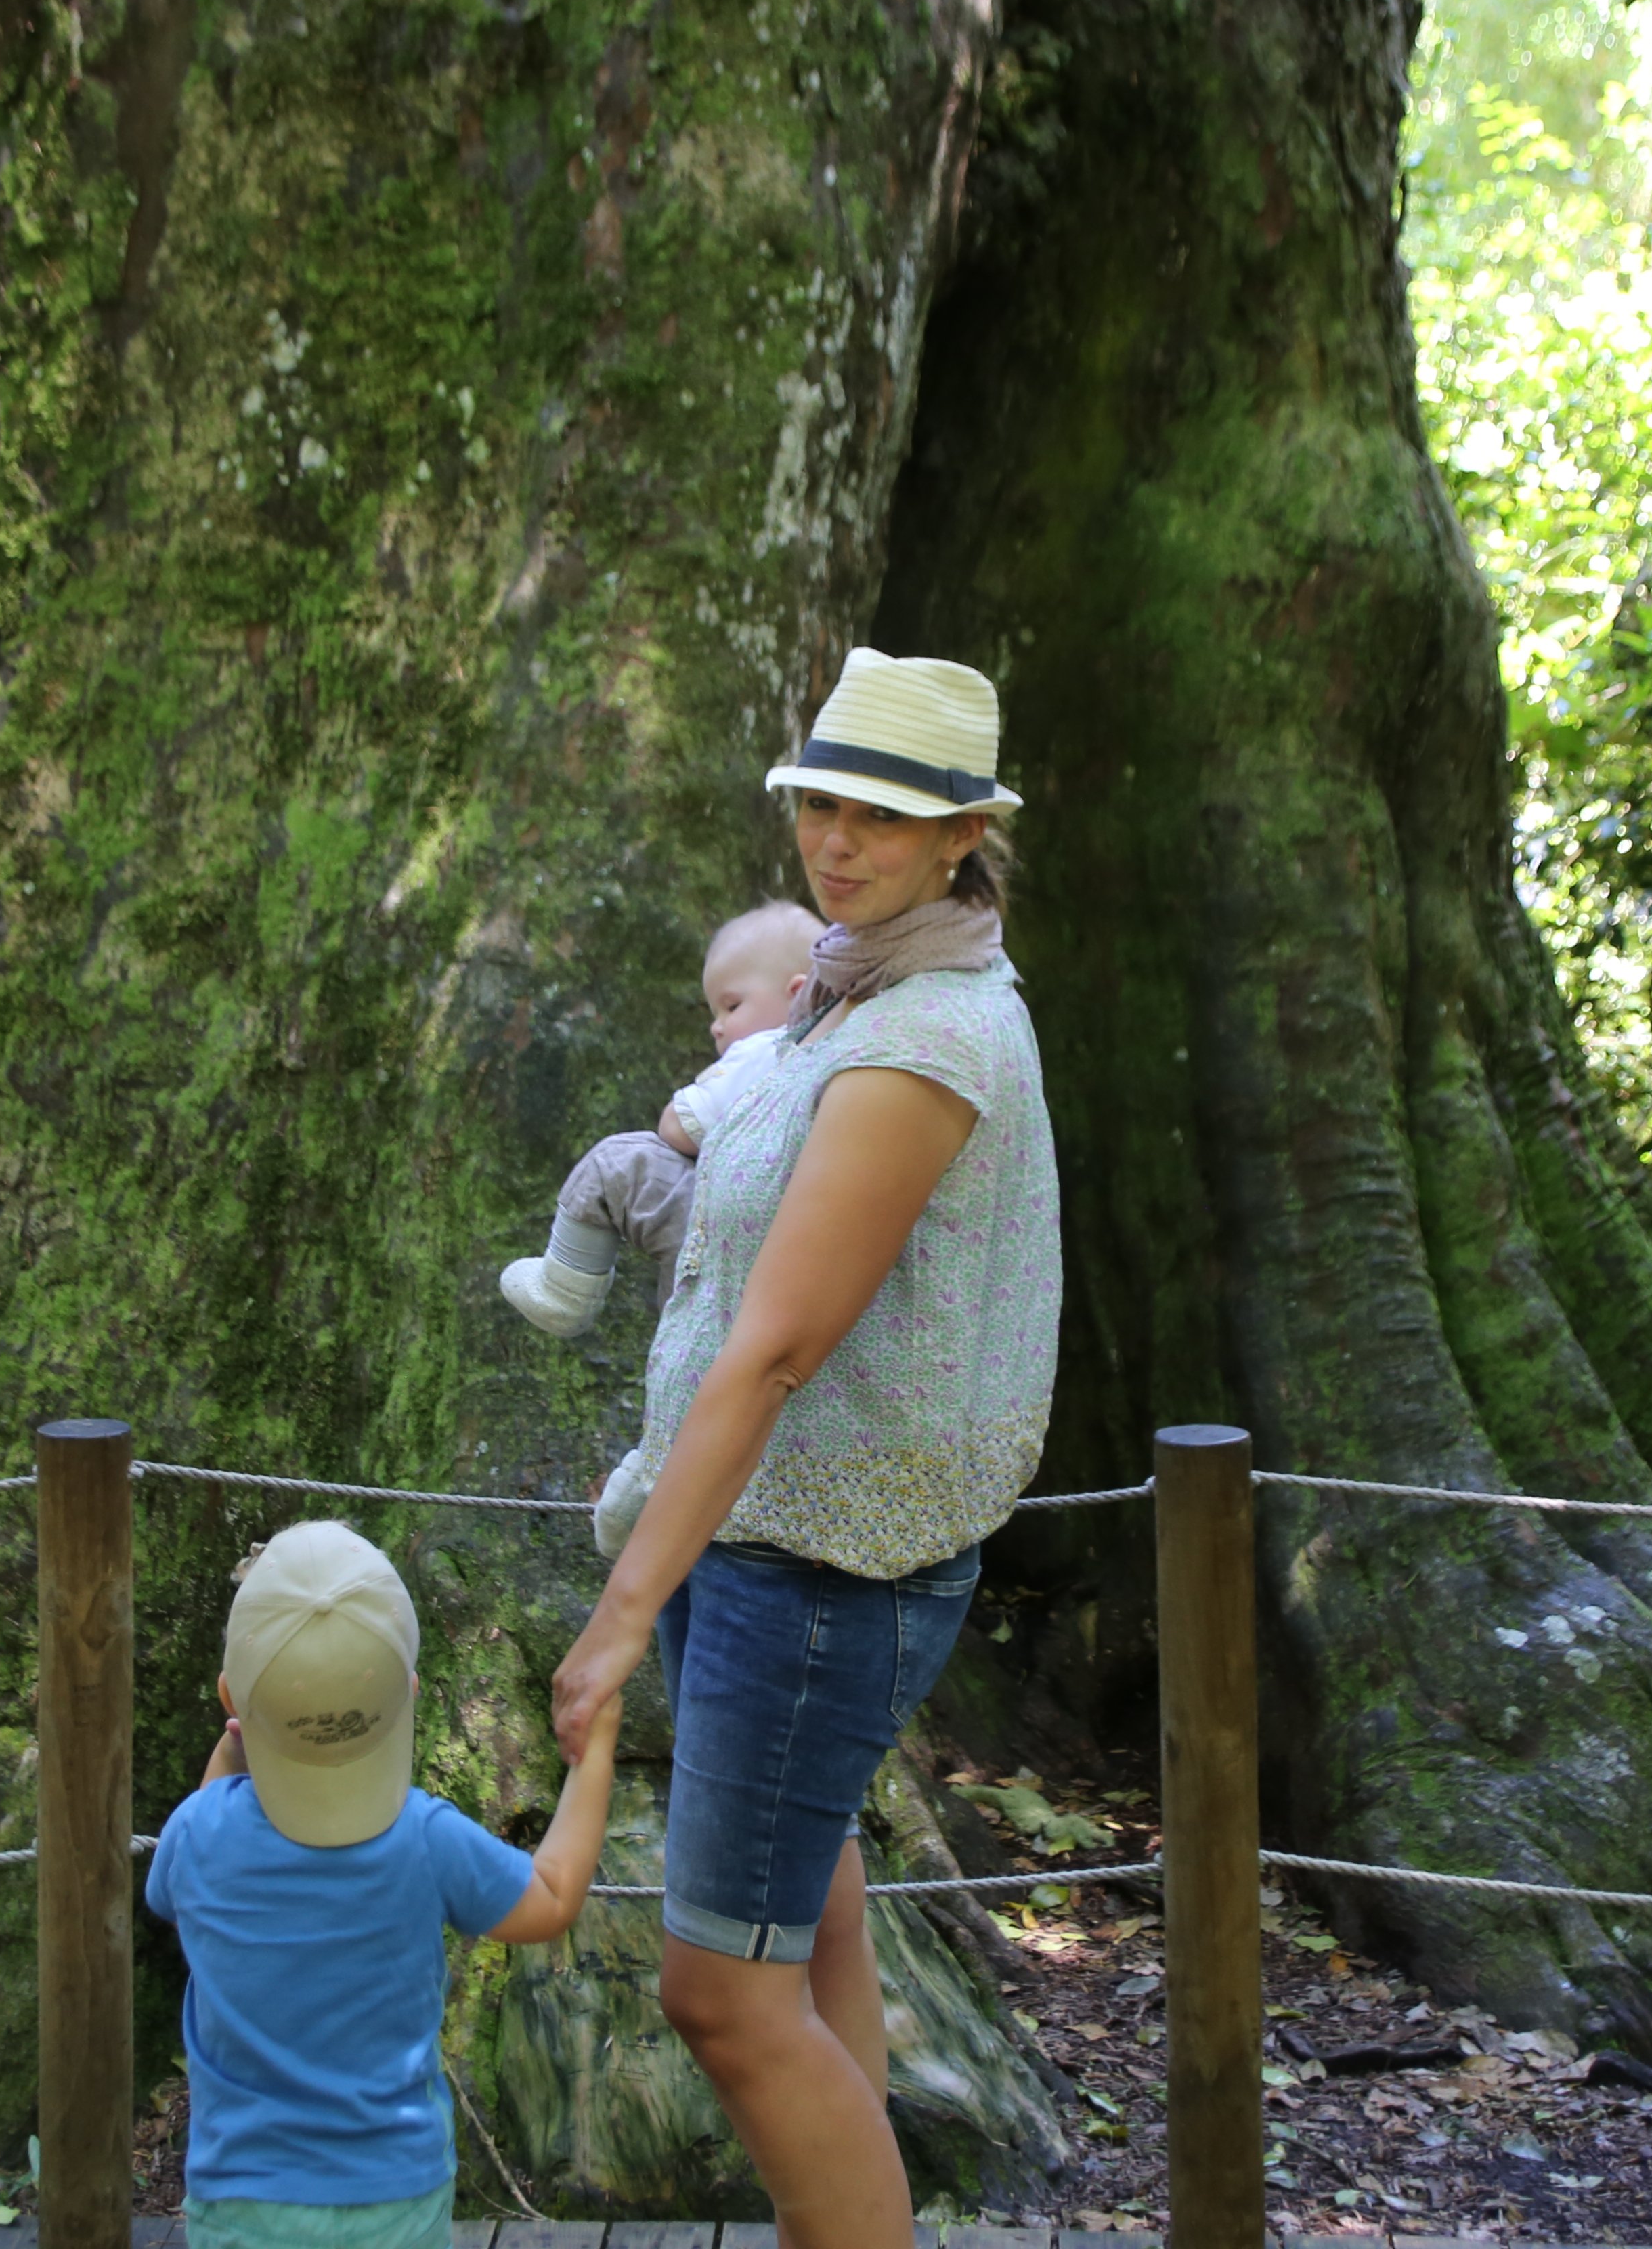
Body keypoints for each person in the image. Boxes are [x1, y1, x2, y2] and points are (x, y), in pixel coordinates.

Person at [547, 647, 1060, 2249]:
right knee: (806, 1920)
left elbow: (775, 1346)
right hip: (755, 1539)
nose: (837, 840)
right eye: (820, 804)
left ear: (959, 834)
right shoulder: (850, 986)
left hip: (822, 1570)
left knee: (718, 1994)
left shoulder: (927, 1038)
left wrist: (622, 1608)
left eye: (883, 817)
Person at [148, 1520, 619, 2249]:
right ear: (409, 1694)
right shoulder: (426, 1839)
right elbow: (552, 1898)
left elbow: (183, 1904)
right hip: (396, 2195)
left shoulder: (196, 1834)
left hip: (242, 2198)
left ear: (228, 1698)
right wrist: (595, 1757)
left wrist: (252, 1723)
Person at [498, 899, 827, 1340]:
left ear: (797, 993)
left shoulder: (772, 1047)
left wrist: (679, 1109)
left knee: (620, 1162)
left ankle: (564, 1291)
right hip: (794, 1247)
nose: (716, 1027)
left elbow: (682, 1129)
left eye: (731, 1006)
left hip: (739, 1232)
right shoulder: (840, 1054)